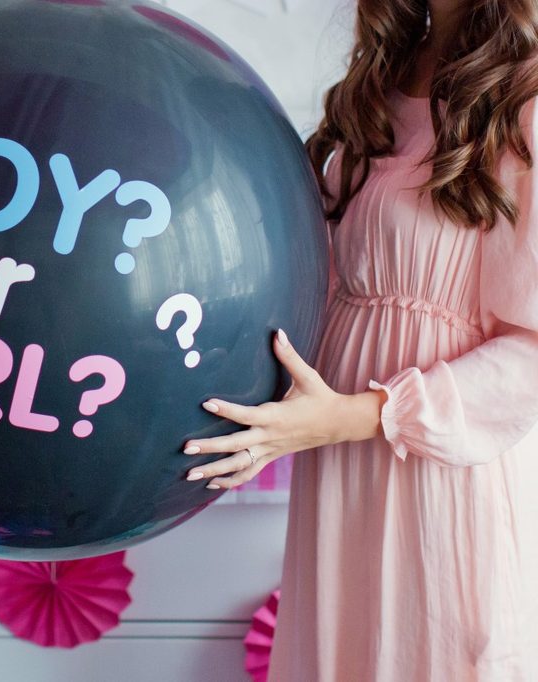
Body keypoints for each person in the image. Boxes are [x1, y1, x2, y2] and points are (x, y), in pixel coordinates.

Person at [182, 0, 538, 678]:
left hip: (439, 478)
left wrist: (353, 416)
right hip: (340, 470)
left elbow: (531, 356)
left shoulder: (527, 99)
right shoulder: (384, 78)